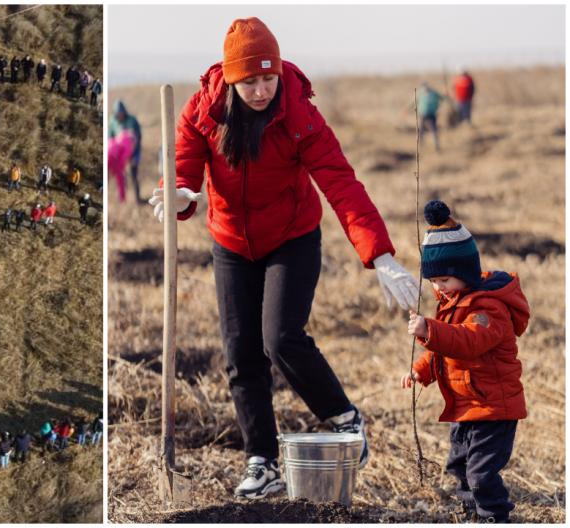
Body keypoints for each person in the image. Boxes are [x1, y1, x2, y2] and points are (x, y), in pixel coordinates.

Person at [148, 17, 419, 500]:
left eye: (267, 79)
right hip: (231, 242)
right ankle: (262, 462)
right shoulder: (201, 113)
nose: (260, 90)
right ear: (232, 78)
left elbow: (341, 183)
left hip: (291, 237)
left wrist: (380, 255)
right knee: (241, 352)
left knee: (281, 338)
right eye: (250, 81)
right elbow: (184, 175)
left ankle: (343, 418)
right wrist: (181, 195)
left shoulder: (299, 114)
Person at [403, 200, 528, 523]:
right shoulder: (453, 302)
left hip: (492, 408)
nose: (438, 288)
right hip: (467, 406)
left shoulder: (488, 309)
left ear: (464, 274)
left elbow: (467, 342)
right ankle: (471, 511)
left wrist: (429, 328)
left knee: (481, 473)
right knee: (459, 465)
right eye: (433, 282)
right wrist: (420, 371)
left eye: (444, 280)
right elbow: (442, 351)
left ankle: (494, 516)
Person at [109, 100, 144, 203]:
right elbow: (109, 137)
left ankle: (138, 199)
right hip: (118, 154)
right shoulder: (112, 122)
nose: (120, 115)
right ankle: (121, 199)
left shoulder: (132, 120)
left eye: (121, 113)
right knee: (119, 176)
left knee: (134, 175)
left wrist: (134, 155)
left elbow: (138, 137)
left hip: (133, 151)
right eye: (118, 113)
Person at [418, 81, 444, 151]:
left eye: (426, 86)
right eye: (423, 87)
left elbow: (442, 98)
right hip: (422, 114)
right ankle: (421, 145)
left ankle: (436, 145)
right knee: (421, 130)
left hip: (431, 115)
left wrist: (446, 95)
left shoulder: (434, 93)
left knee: (434, 130)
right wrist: (406, 109)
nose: (425, 88)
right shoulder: (420, 93)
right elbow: (414, 102)